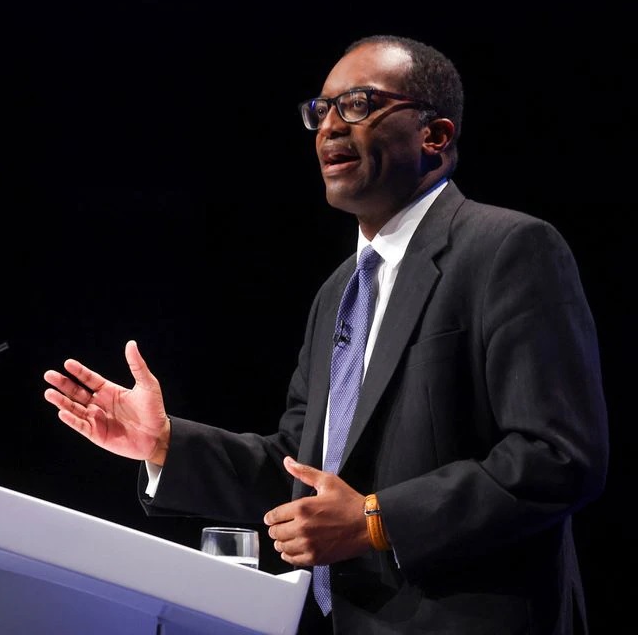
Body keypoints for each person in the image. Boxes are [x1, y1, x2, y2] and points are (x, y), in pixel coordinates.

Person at [42, 35, 608, 634]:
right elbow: (299, 470)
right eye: (322, 110)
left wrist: (376, 520)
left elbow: (558, 457)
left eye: (359, 105)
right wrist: (164, 444)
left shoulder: (506, 249)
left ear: (434, 136)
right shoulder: (339, 292)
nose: (330, 127)